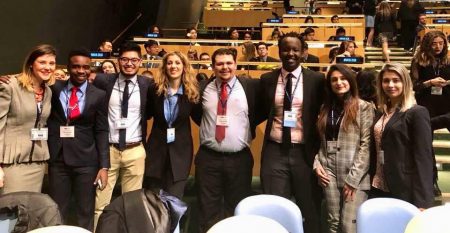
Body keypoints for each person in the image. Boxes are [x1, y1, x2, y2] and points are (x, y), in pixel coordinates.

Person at [259, 32, 324, 233]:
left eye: (295, 49)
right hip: (275, 151)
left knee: (309, 206)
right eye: (286, 49)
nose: (290, 53)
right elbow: (258, 111)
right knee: (274, 205)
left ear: (303, 52)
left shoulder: (316, 80)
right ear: (278, 51)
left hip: (304, 152)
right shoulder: (267, 79)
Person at [192, 48, 261, 233]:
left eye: (229, 63)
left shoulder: (249, 87)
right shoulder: (203, 88)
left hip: (239, 159)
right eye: (220, 63)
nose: (225, 67)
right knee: (207, 209)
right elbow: (197, 115)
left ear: (236, 64)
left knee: (238, 207)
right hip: (208, 158)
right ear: (213, 66)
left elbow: (258, 112)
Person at [47, 49, 109, 231]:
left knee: (85, 211)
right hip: (58, 159)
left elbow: (102, 130)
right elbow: (31, 77)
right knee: (57, 210)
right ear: (68, 68)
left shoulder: (99, 95)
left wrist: (104, 166)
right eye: (76, 67)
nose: (81, 71)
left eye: (85, 67)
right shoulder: (54, 89)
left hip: (86, 162)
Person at [93, 42, 153, 228]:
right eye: (125, 59)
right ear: (118, 61)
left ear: (140, 62)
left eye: (134, 60)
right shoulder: (104, 81)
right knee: (100, 203)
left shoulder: (147, 85)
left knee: (132, 204)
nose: (129, 64)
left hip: (135, 151)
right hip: (108, 151)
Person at [314, 64, 373, 233]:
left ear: (351, 80)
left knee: (349, 226)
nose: (339, 82)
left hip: (354, 173)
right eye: (334, 80)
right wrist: (317, 164)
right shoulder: (325, 108)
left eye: (343, 78)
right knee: (332, 221)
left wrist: (353, 179)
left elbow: (366, 145)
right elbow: (319, 142)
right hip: (328, 170)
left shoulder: (364, 107)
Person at [370, 63, 434, 209]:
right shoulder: (381, 112)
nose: (390, 84)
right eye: (386, 81)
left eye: (396, 80)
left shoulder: (417, 112)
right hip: (378, 184)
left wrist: (423, 201)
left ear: (405, 82)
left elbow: (423, 158)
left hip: (404, 187)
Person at [0, 44, 55, 194]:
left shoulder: (48, 91)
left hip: (37, 163)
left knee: (30, 212)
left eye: (51, 63)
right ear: (31, 64)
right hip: (12, 163)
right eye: (42, 62)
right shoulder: (10, 86)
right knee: (10, 212)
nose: (47, 67)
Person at [144, 52, 199, 199]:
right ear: (164, 67)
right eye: (169, 63)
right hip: (156, 153)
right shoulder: (154, 90)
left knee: (174, 200)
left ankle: (174, 223)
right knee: (154, 202)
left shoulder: (192, 92)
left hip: (180, 154)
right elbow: (146, 114)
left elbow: (200, 118)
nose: (173, 66)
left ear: (184, 67)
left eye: (177, 63)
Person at [410, 30, 450, 196]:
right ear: (427, 45)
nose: (438, 46)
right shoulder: (419, 60)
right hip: (427, 108)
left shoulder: (449, 59)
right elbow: (413, 85)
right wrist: (429, 83)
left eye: (441, 43)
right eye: (434, 43)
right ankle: (432, 182)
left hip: (448, 106)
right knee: (426, 148)